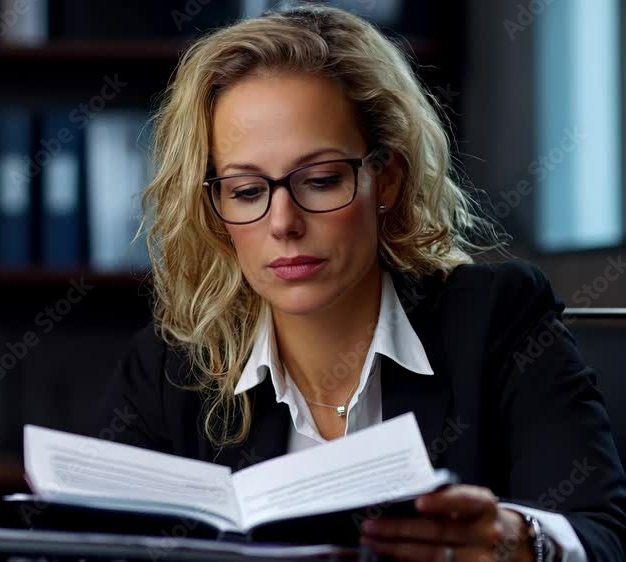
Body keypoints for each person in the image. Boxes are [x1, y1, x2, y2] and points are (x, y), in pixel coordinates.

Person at [99, 5, 626, 562]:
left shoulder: (499, 320)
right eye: (248, 191)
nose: (283, 224)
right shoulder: (168, 369)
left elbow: (603, 536)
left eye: (322, 180)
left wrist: (520, 541)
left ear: (388, 180)